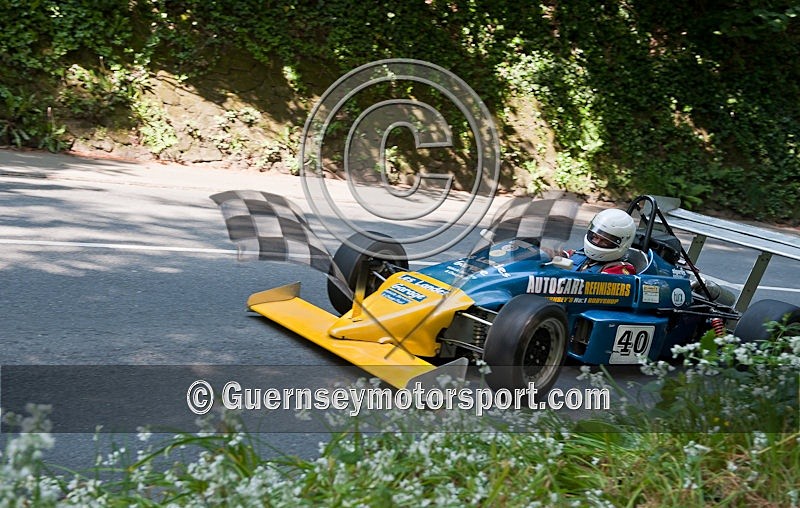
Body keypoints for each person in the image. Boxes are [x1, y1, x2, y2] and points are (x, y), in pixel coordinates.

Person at [566, 208, 638, 275]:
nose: (597, 242)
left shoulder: (619, 269)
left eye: (605, 241)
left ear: (623, 244)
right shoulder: (574, 254)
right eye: (595, 237)